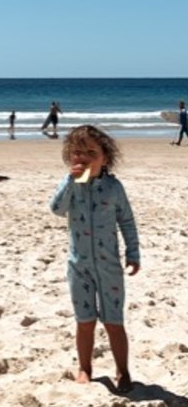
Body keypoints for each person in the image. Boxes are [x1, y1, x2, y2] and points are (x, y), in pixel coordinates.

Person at [49, 125, 140, 394]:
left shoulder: (113, 188)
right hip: (79, 267)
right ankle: (85, 368)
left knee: (114, 322)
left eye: (91, 152)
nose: (84, 158)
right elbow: (56, 209)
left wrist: (133, 252)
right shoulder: (70, 186)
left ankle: (123, 371)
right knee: (84, 321)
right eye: (77, 153)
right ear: (70, 157)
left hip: (110, 267)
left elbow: (127, 221)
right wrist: (69, 181)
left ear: (105, 158)